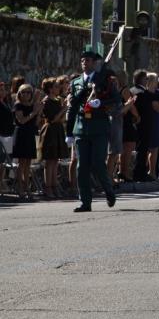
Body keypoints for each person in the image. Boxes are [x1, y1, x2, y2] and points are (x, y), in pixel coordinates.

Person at [65, 49, 119, 212]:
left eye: (88, 60)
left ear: (95, 63)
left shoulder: (106, 81)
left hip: (99, 128)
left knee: (97, 163)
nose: (85, 63)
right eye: (83, 60)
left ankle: (109, 190)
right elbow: (73, 108)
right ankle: (85, 202)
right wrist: (69, 132)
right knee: (82, 167)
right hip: (81, 128)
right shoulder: (75, 83)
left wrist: (100, 104)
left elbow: (116, 101)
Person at [39, 78, 68, 198]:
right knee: (50, 161)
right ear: (50, 89)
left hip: (58, 130)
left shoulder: (56, 100)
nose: (59, 88)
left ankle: (55, 185)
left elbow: (61, 119)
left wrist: (63, 110)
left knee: (55, 161)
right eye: (56, 87)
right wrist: (64, 109)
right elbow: (53, 119)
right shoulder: (47, 101)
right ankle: (48, 187)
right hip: (50, 131)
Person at [12, 83, 42, 200]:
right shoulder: (18, 105)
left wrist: (38, 112)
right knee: (21, 163)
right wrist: (34, 112)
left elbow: (35, 122)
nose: (26, 94)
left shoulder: (32, 106)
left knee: (28, 163)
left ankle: (27, 187)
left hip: (30, 134)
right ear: (19, 93)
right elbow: (22, 120)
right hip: (21, 134)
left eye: (29, 92)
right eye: (23, 92)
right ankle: (21, 187)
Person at [0, 82, 15, 194]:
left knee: (4, 161)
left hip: (7, 135)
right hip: (1, 134)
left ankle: (1, 181)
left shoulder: (5, 103)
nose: (3, 91)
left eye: (4, 89)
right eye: (1, 89)